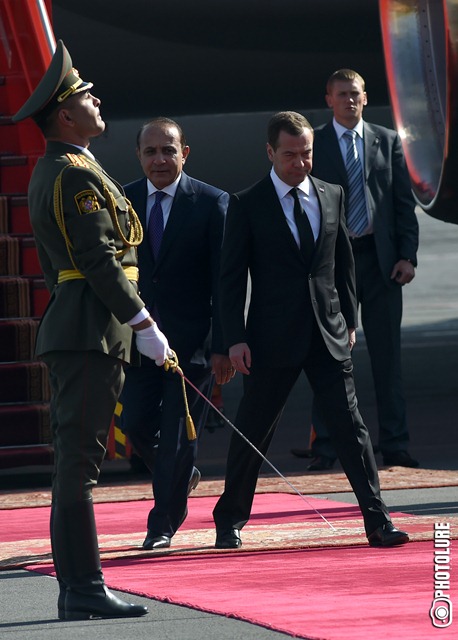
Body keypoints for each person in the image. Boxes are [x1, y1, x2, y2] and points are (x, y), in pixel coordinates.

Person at [12, 41, 172, 620]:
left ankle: (80, 587)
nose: (95, 99)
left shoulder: (73, 165)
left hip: (89, 330)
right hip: (88, 331)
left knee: (78, 462)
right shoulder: (69, 175)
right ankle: (82, 587)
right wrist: (144, 322)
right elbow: (100, 259)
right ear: (64, 114)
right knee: (77, 464)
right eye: (84, 95)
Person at [212, 110, 410, 550]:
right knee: (254, 430)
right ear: (270, 152)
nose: (300, 163)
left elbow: (343, 265)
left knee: (351, 429)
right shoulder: (247, 203)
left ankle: (377, 521)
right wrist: (233, 338)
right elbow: (229, 279)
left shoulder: (332, 194)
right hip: (270, 338)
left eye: (306, 154)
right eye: (290, 155)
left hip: (328, 333)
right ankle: (229, 521)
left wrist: (349, 322)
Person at [292, 68, 419, 471]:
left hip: (381, 263)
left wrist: (407, 256)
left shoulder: (387, 140)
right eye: (342, 94)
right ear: (328, 99)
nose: (350, 100)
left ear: (366, 98)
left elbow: (402, 204)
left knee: (388, 358)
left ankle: (395, 444)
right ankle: (326, 445)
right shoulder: (314, 143)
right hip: (333, 264)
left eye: (356, 94)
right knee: (330, 356)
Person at [120, 117, 233, 550]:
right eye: (150, 152)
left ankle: (162, 523)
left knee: (177, 433)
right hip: (139, 341)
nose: (159, 159)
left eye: (168, 150)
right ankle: (182, 476)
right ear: (139, 157)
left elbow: (224, 283)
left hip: (194, 346)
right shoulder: (124, 200)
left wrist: (223, 345)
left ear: (184, 153)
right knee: (135, 424)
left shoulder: (211, 202)